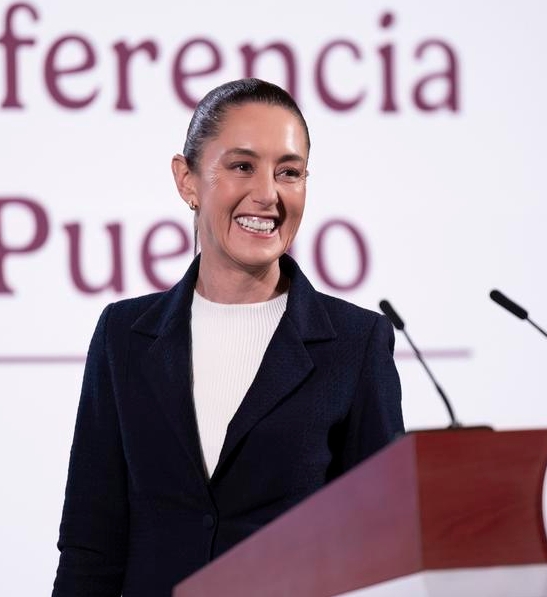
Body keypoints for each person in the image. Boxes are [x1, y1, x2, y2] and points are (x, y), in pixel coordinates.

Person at [51, 78, 403, 597]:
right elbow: (91, 547)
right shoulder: (124, 337)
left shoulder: (355, 343)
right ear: (187, 180)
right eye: (242, 167)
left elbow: (384, 547)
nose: (267, 194)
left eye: (290, 172)